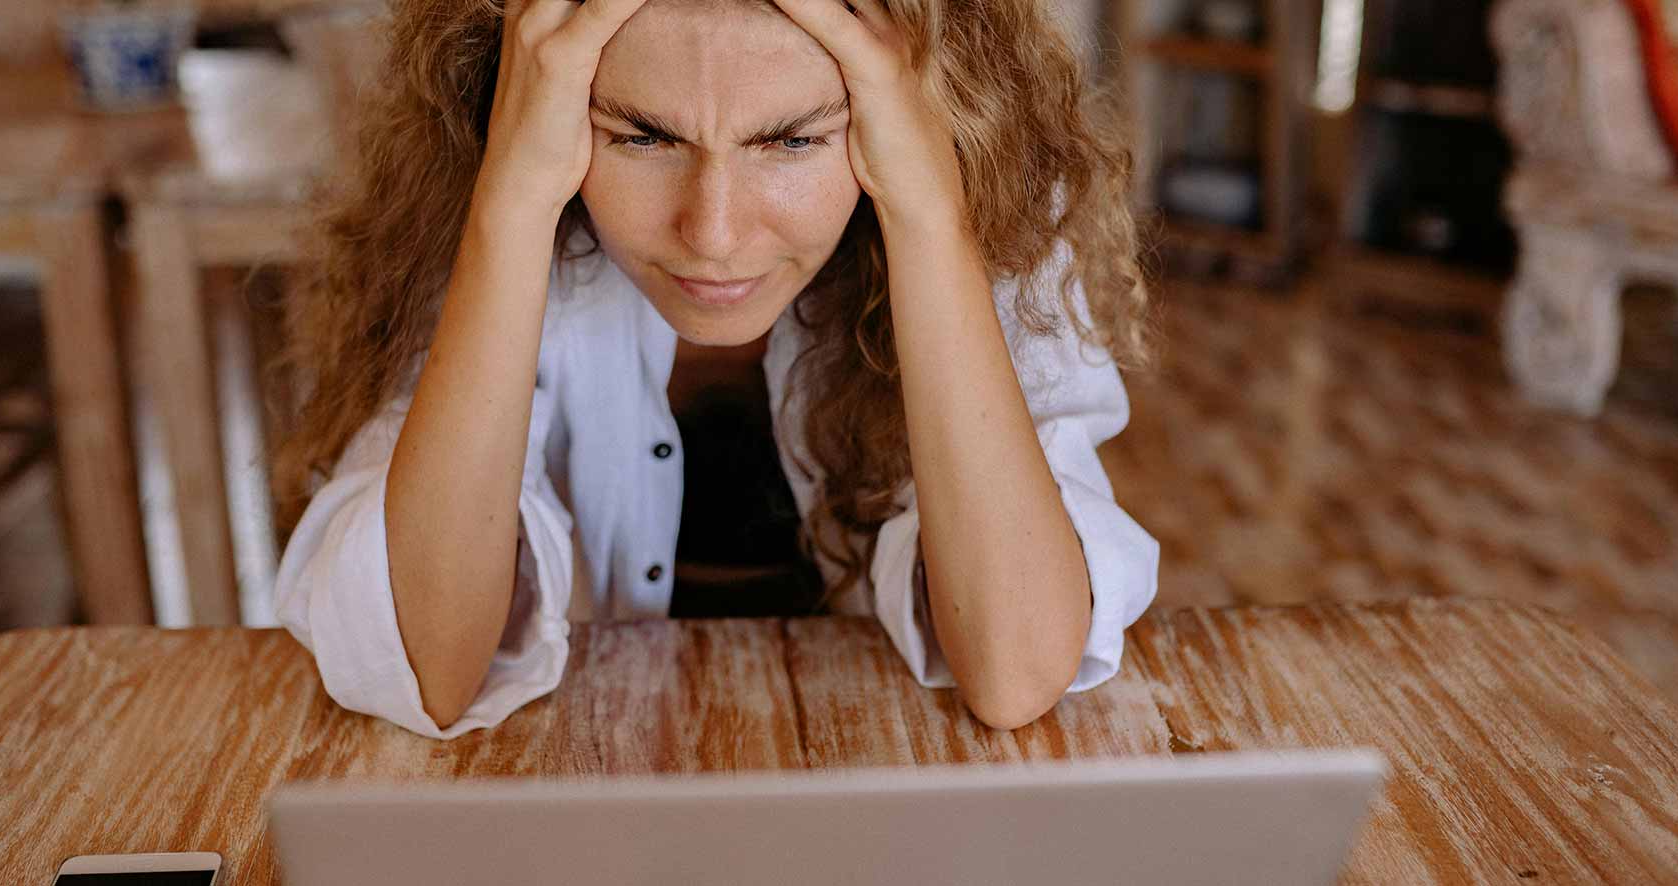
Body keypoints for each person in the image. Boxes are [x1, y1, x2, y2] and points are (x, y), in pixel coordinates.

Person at [271, 0, 1159, 739]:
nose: (715, 234)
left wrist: (927, 215)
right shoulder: (471, 209)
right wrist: (511, 201)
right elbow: (426, 670)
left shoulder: (996, 218)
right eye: (642, 137)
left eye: (793, 142)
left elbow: (1016, 672)